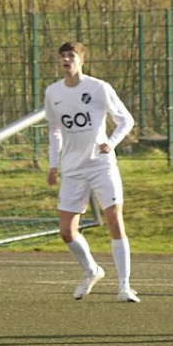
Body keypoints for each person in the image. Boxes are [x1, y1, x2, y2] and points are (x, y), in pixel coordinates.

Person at [44, 41, 140, 303]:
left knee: (114, 218)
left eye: (71, 55)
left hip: (100, 164)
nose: (66, 60)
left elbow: (126, 119)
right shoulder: (53, 92)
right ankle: (92, 271)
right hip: (72, 168)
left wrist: (112, 142)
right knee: (66, 230)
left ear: (81, 59)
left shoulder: (98, 87)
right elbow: (54, 130)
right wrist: (53, 164)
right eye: (62, 56)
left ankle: (124, 286)